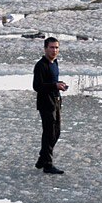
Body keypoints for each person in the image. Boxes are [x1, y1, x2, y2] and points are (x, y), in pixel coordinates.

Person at [33, 37, 68, 175]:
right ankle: (47, 164)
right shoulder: (41, 65)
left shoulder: (55, 63)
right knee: (49, 133)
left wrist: (60, 84)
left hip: (56, 101)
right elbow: (37, 86)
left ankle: (42, 159)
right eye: (52, 47)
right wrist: (54, 85)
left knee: (56, 132)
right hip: (45, 104)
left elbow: (52, 81)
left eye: (56, 48)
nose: (54, 50)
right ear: (45, 49)